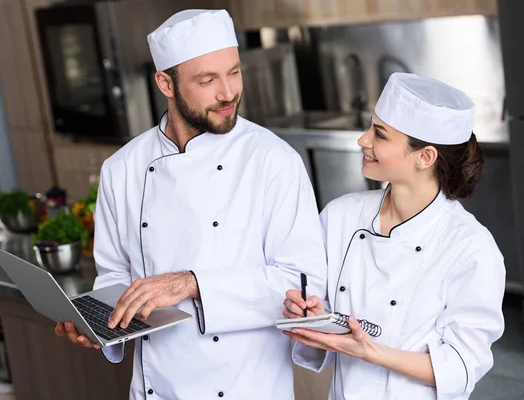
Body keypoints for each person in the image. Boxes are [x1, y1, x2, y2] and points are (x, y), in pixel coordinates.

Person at [54, 9, 327, 400]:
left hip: (242, 388)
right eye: (207, 80)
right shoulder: (123, 168)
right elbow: (114, 278)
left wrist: (193, 284)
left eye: (234, 72)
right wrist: (98, 325)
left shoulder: (273, 161)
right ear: (165, 83)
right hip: (156, 389)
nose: (228, 92)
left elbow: (303, 284)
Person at [283, 72, 506, 399]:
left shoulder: (470, 248)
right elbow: (318, 308)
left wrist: (368, 351)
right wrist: (309, 315)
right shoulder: (341, 216)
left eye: (380, 135)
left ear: (425, 157)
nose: (363, 141)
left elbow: (459, 367)